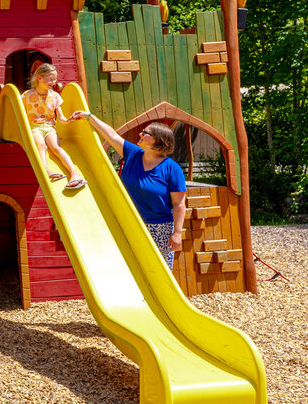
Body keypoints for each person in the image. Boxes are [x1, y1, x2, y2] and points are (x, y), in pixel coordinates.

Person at [69, 111, 186, 268]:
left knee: (158, 269)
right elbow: (112, 136)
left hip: (158, 228)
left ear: (158, 140)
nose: (140, 133)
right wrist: (89, 116)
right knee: (130, 267)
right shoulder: (133, 154)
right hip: (128, 222)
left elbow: (179, 204)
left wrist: (177, 232)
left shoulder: (171, 168)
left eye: (146, 133)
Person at [22, 63, 86, 190]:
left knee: (56, 147)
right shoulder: (27, 95)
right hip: (35, 127)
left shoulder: (55, 96)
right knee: (41, 145)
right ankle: (46, 170)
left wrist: (68, 120)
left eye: (55, 80)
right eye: (50, 79)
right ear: (39, 78)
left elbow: (60, 118)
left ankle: (75, 174)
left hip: (50, 127)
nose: (53, 82)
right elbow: (21, 114)